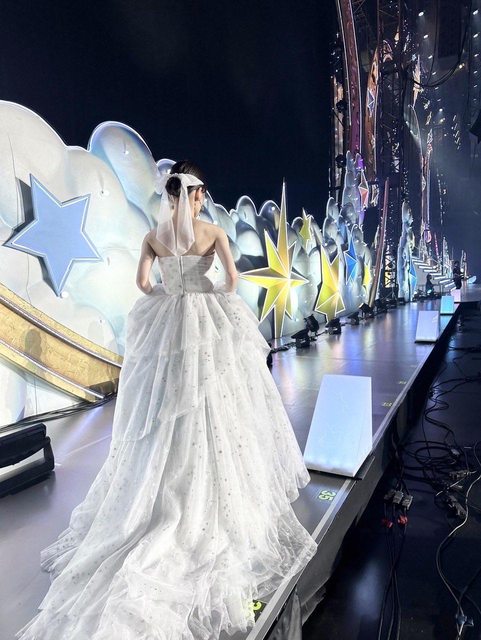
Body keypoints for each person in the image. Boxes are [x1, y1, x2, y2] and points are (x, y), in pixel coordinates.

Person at [15, 160, 317, 640]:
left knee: (164, 405)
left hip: (168, 322)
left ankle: (159, 492)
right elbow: (232, 281)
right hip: (208, 319)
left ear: (170, 193)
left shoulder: (154, 236)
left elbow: (142, 285)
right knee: (215, 401)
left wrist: (168, 290)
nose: (199, 200)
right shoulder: (213, 232)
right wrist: (207, 290)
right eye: (200, 193)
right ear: (195, 193)